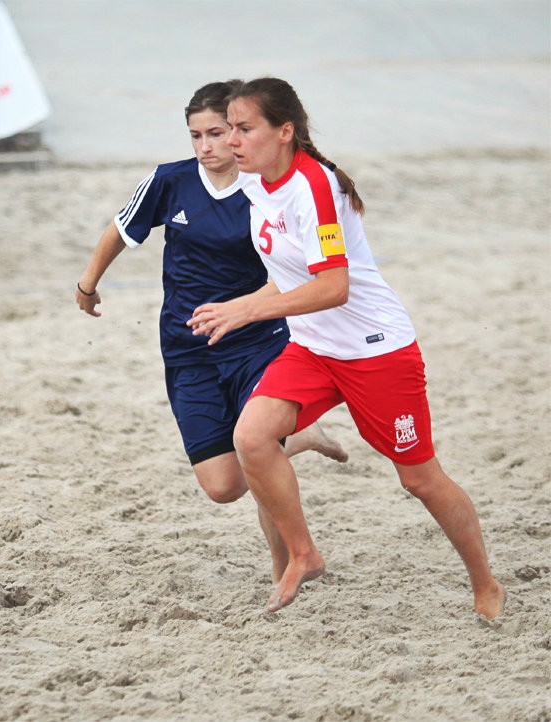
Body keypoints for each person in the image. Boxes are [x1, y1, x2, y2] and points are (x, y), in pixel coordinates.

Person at [187, 77, 505, 619]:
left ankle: (486, 585)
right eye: (229, 129)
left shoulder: (316, 186)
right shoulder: (258, 186)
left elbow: (335, 286)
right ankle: (303, 553)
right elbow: (290, 278)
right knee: (252, 437)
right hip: (313, 348)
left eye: (244, 128)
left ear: (284, 131)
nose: (232, 140)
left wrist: (245, 310)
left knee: (419, 479)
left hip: (375, 350)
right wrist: (240, 302)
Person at [76, 81, 348, 584]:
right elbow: (121, 228)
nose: (206, 147)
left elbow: (295, 273)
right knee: (222, 486)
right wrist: (88, 283)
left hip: (258, 339)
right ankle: (301, 437)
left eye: (219, 133)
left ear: (241, 132)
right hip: (187, 349)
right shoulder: (170, 180)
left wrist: (245, 310)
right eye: (196, 135)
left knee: (260, 454)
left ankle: (285, 564)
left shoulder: (265, 189)